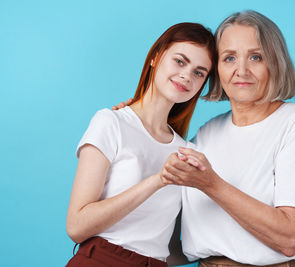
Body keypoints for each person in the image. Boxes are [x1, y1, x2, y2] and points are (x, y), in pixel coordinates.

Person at [115, 10, 295, 267]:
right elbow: (165, 236)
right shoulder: (206, 134)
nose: (242, 70)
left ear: (275, 63)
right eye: (229, 58)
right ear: (215, 70)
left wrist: (211, 184)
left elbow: (291, 238)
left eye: (256, 57)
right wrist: (133, 125)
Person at [65, 22, 216, 267]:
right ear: (156, 57)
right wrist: (158, 180)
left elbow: (172, 245)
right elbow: (76, 226)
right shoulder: (111, 122)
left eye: (199, 72)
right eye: (180, 61)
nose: (187, 75)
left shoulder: (187, 152)